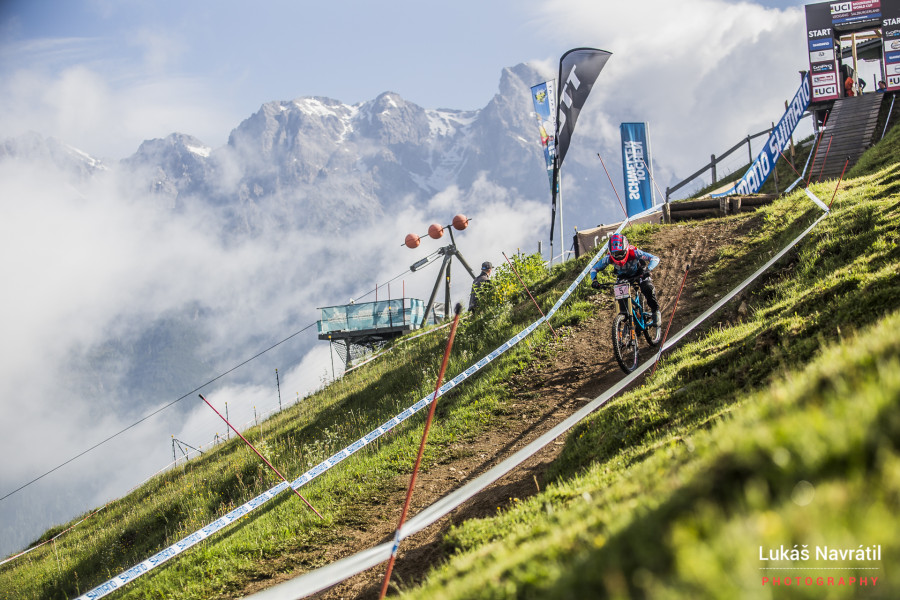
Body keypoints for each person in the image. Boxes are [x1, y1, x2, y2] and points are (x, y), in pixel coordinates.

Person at [589, 233, 661, 325]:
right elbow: (594, 268)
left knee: (647, 287)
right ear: (611, 253)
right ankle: (630, 318)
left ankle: (655, 311)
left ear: (626, 250)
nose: (618, 257)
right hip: (623, 276)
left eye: (620, 253)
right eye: (615, 254)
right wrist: (594, 281)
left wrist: (648, 269)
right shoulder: (608, 258)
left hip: (639, 272)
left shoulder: (634, 252)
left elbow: (655, 258)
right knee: (622, 303)